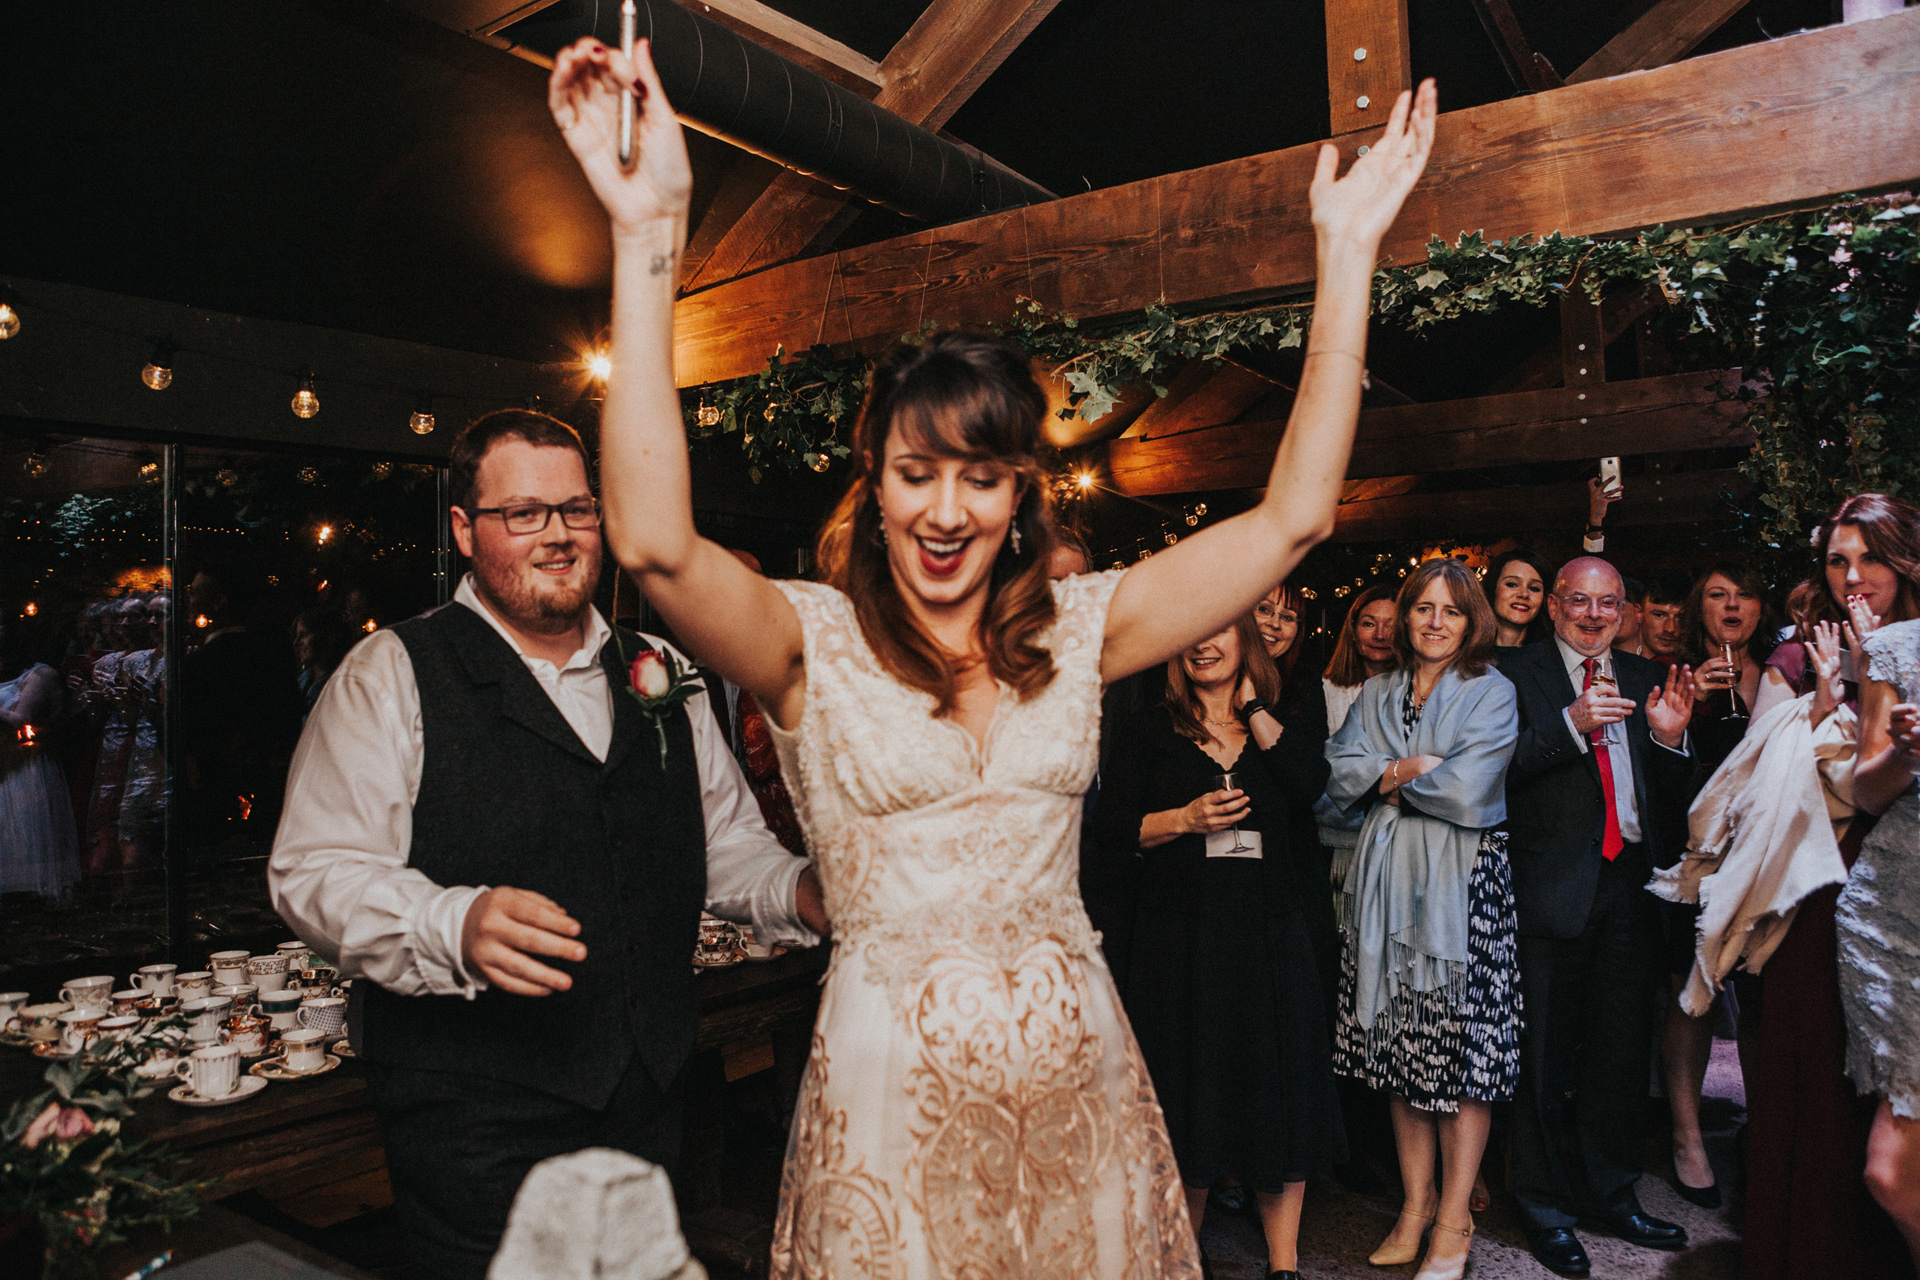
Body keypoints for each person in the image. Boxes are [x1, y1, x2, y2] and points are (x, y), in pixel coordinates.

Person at [546, 32, 1436, 1278]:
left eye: (981, 477)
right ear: (879, 480)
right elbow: (650, 544)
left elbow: (1293, 518)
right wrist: (652, 239)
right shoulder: (815, 643)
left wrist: (1344, 259)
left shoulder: (1083, 632)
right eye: (918, 474)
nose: (948, 510)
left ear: (1022, 494)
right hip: (890, 1109)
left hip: (1077, 1088)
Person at [268, 410, 829, 1280]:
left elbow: (722, 843)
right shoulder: (391, 675)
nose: (558, 536)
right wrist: (451, 923)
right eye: (524, 513)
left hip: (649, 1097)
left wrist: (800, 890)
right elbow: (314, 873)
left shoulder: (661, 673)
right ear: (464, 529)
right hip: (475, 1120)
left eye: (576, 509)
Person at [1096, 612, 1345, 1280]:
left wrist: (1254, 709)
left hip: (1271, 937)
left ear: (1246, 643)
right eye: (1190, 632)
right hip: (1181, 941)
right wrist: (1183, 819)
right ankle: (1182, 1257)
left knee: (1280, 1092)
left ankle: (1285, 1265)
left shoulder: (1275, 727)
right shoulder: (1151, 729)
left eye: (1220, 630)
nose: (1202, 642)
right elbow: (1109, 831)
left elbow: (1308, 787)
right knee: (1190, 1094)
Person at [1500, 556, 1697, 1278]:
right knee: (1545, 1058)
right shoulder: (1512, 675)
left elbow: (1674, 806)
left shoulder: (1648, 680)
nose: (1592, 615)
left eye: (1607, 604)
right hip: (1550, 888)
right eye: (1578, 601)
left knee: (1619, 1053)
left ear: (1627, 613)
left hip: (1631, 890)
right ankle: (1547, 1208)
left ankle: (1613, 1195)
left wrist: (1673, 742)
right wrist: (1570, 723)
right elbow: (1493, 771)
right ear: (1553, 606)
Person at [1740, 493, 1920, 1280]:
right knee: (1836, 1088)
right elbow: (1764, 774)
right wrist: (1821, 703)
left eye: (1869, 559)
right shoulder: (1803, 654)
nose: (1853, 577)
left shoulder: (1896, 644)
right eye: (1838, 561)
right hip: (1835, 878)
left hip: (1884, 874)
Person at [1324, 559, 1520, 1280]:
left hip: (1463, 896)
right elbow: (1336, 773)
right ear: (1405, 618)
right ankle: (1414, 1205)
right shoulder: (1376, 690)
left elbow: (1471, 789)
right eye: (1422, 609)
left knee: (1461, 1060)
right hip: (1382, 887)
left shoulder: (1492, 692)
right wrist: (1407, 770)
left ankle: (1454, 1219)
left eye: (1452, 611)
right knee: (1400, 1053)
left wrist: (1385, 776)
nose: (1436, 622)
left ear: (1472, 622)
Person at [1661, 559, 1773, 1207]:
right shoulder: (1677, 674)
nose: (1732, 607)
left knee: (1761, 995)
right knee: (1691, 994)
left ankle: (1763, 1131)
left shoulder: (1787, 671)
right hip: (1696, 856)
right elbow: (1658, 775)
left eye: (1745, 595)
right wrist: (1692, 701)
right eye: (1717, 596)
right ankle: (1687, 1137)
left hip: (1765, 860)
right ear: (1698, 607)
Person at [1847, 615, 1920, 1272]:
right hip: (1898, 923)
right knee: (1889, 1172)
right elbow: (1864, 791)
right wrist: (1905, 753)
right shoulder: (1896, 649)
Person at [0, 611, 81, 899]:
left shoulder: (40, 675)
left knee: (24, 850)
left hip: (25, 771)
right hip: (4, 768)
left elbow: (20, 720)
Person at [1485, 549, 1550, 655]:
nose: (1524, 594)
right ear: (1492, 589)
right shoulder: (1462, 653)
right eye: (1512, 584)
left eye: (1534, 588)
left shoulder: (1551, 659)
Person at [1635, 570, 1690, 666]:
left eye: (1680, 618)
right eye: (1659, 615)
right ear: (1639, 613)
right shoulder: (1620, 666)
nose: (1670, 628)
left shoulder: (1696, 671)